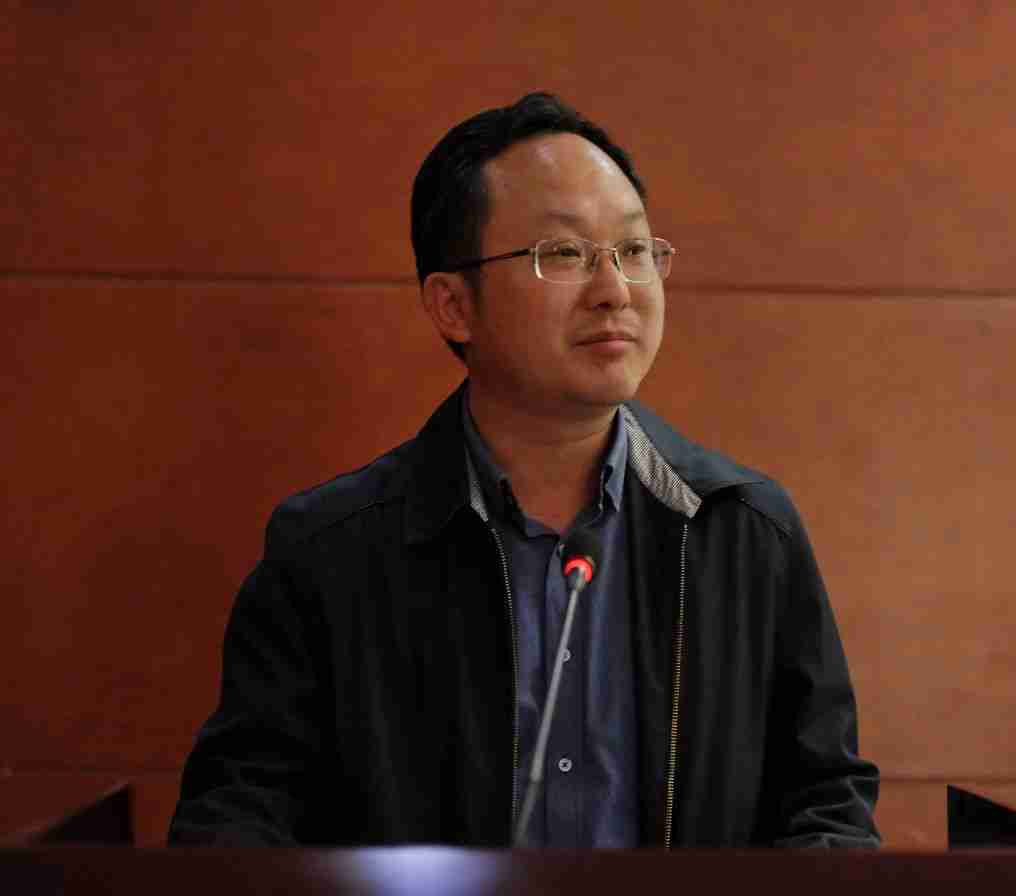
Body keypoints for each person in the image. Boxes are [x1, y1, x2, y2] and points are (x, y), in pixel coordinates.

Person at [169, 93, 880, 848]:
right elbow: (240, 820)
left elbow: (826, 806)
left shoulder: (743, 533)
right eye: (564, 254)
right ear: (453, 305)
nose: (615, 291)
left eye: (635, 251)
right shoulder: (329, 556)